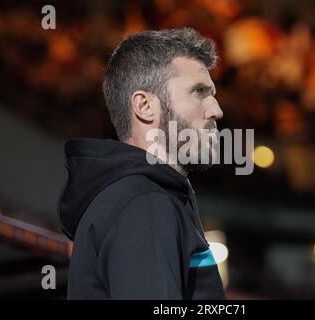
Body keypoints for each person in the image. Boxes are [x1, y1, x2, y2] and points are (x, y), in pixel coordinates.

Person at [58, 27, 225, 299]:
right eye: (199, 92)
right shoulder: (144, 204)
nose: (216, 109)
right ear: (145, 106)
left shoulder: (141, 198)